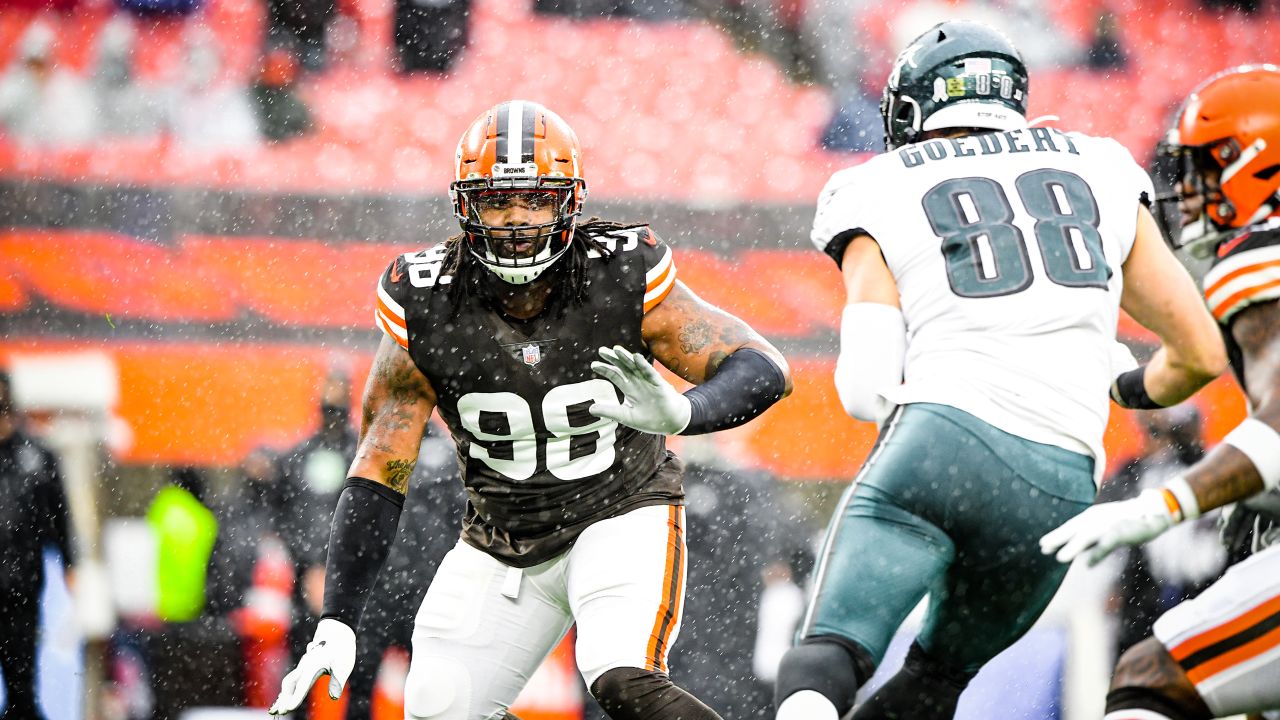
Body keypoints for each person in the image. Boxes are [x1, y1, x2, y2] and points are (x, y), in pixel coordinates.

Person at [268, 99, 793, 720]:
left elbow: (765, 368)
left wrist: (684, 412)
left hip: (620, 512)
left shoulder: (619, 274)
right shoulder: (426, 301)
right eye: (497, 200)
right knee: (439, 709)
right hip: (500, 536)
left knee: (620, 675)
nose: (517, 220)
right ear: (466, 204)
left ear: (568, 203)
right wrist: (338, 619)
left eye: (535, 199)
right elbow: (381, 467)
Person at [777, 21, 1228, 720]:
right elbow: (1199, 352)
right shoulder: (1100, 165)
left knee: (829, 651)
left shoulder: (878, 183)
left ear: (913, 105)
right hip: (1061, 478)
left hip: (942, 436)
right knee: (934, 682)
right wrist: (1126, 386)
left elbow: (864, 391)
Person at [1041, 64, 1280, 720]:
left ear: (1256, 164)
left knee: (1150, 675)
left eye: (1203, 170)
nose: (1188, 193)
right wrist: (1123, 384)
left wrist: (1159, 507)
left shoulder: (1261, 260)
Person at [1099, 406, 1225, 658]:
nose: (1156, 443)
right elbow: (1112, 528)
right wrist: (1117, 584)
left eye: (1161, 433)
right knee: (1138, 664)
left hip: (1200, 587)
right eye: (1151, 432)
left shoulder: (1211, 467)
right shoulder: (1134, 472)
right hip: (1145, 593)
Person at [0, 370, 75, 720]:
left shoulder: (35, 455)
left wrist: (71, 563)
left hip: (21, 583)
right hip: (17, 574)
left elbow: (60, 516)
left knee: (20, 674)